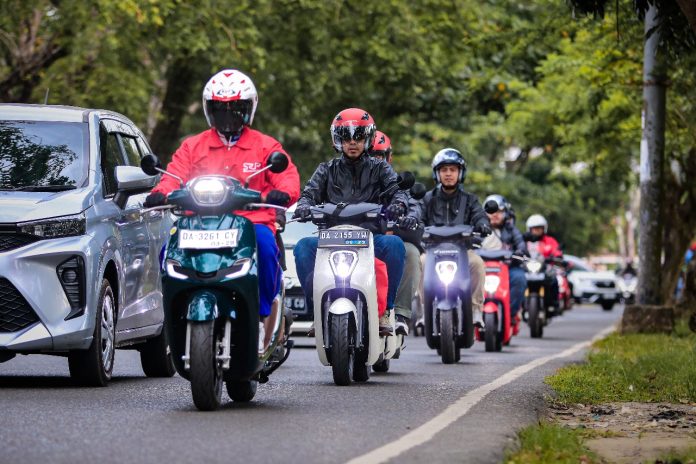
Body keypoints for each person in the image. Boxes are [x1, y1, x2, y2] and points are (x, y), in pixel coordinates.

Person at [143, 69, 300, 351]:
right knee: (168, 251)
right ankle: (175, 315)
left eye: (235, 109)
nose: (228, 116)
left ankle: (261, 316)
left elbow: (287, 176)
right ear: (209, 110)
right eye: (220, 109)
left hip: (250, 222)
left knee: (265, 249)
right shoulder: (193, 146)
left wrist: (283, 193)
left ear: (249, 109)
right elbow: (173, 175)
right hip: (199, 223)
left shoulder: (266, 146)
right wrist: (159, 193)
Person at [293, 108, 407, 335]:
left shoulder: (381, 168)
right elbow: (308, 194)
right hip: (331, 238)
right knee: (303, 247)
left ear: (368, 139)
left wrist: (398, 204)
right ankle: (317, 310)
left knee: (395, 245)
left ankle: (385, 310)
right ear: (338, 140)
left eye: (359, 137)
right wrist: (304, 205)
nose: (352, 142)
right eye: (346, 137)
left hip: (370, 238)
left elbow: (398, 191)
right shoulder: (326, 169)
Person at [421, 148, 490, 328]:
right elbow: (417, 215)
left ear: (460, 173)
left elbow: (479, 215)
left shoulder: (470, 199)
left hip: (463, 250)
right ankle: (423, 309)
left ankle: (476, 308)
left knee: (478, 264)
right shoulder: (428, 198)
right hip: (433, 251)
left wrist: (483, 223)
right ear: (437, 173)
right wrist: (412, 222)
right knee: (421, 261)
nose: (448, 174)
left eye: (453, 169)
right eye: (444, 170)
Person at [368, 130, 422, 335]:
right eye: (371, 155)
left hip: (388, 243)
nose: (375, 160)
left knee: (411, 253)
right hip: (356, 240)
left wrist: (409, 218)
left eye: (380, 155)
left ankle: (399, 313)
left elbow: (413, 206)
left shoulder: (398, 184)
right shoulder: (351, 179)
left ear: (389, 157)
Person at [482, 194, 528, 322]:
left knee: (519, 278)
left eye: (499, 211)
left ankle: (511, 314)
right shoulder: (478, 229)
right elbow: (468, 243)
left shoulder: (511, 229)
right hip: (481, 268)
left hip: (507, 267)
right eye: (491, 211)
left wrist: (520, 252)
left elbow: (521, 244)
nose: (495, 215)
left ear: (505, 213)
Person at [523, 214, 562, 309]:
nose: (537, 230)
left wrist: (557, 256)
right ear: (529, 229)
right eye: (534, 228)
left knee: (553, 279)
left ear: (544, 228)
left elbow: (557, 252)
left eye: (539, 228)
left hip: (545, 268)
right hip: (528, 268)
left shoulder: (550, 241)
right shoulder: (524, 241)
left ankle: (553, 302)